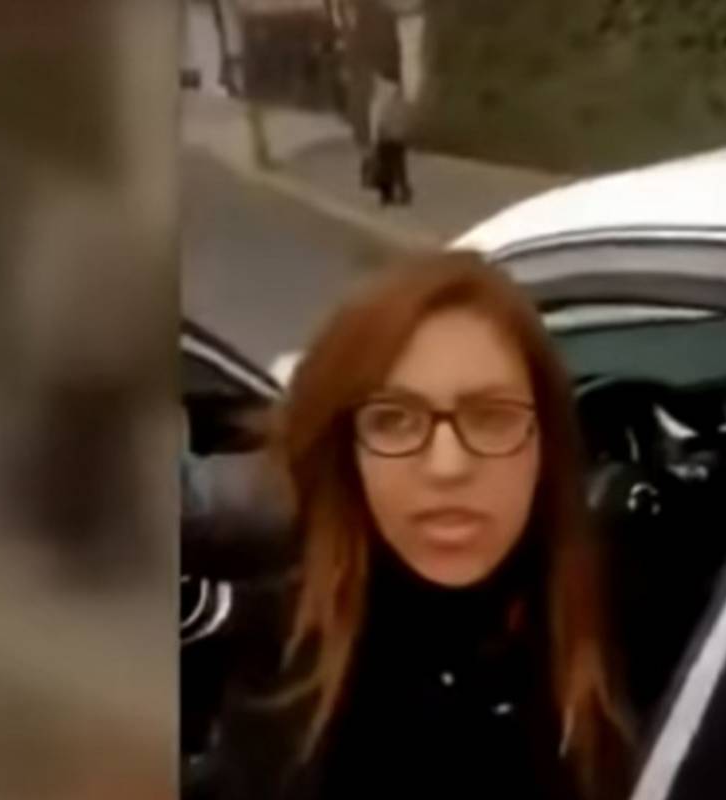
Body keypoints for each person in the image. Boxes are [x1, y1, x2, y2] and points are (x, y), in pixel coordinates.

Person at [216, 251, 635, 800]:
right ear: (347, 452)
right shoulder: (286, 656)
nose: (447, 466)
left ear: (546, 443)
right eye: (393, 420)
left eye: (491, 417)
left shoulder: (633, 623)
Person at [368, 73, 413, 206]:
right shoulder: (402, 103)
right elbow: (406, 121)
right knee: (399, 167)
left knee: (386, 167)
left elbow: (380, 121)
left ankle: (387, 196)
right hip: (397, 139)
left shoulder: (383, 101)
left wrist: (376, 138)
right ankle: (402, 193)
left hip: (387, 138)